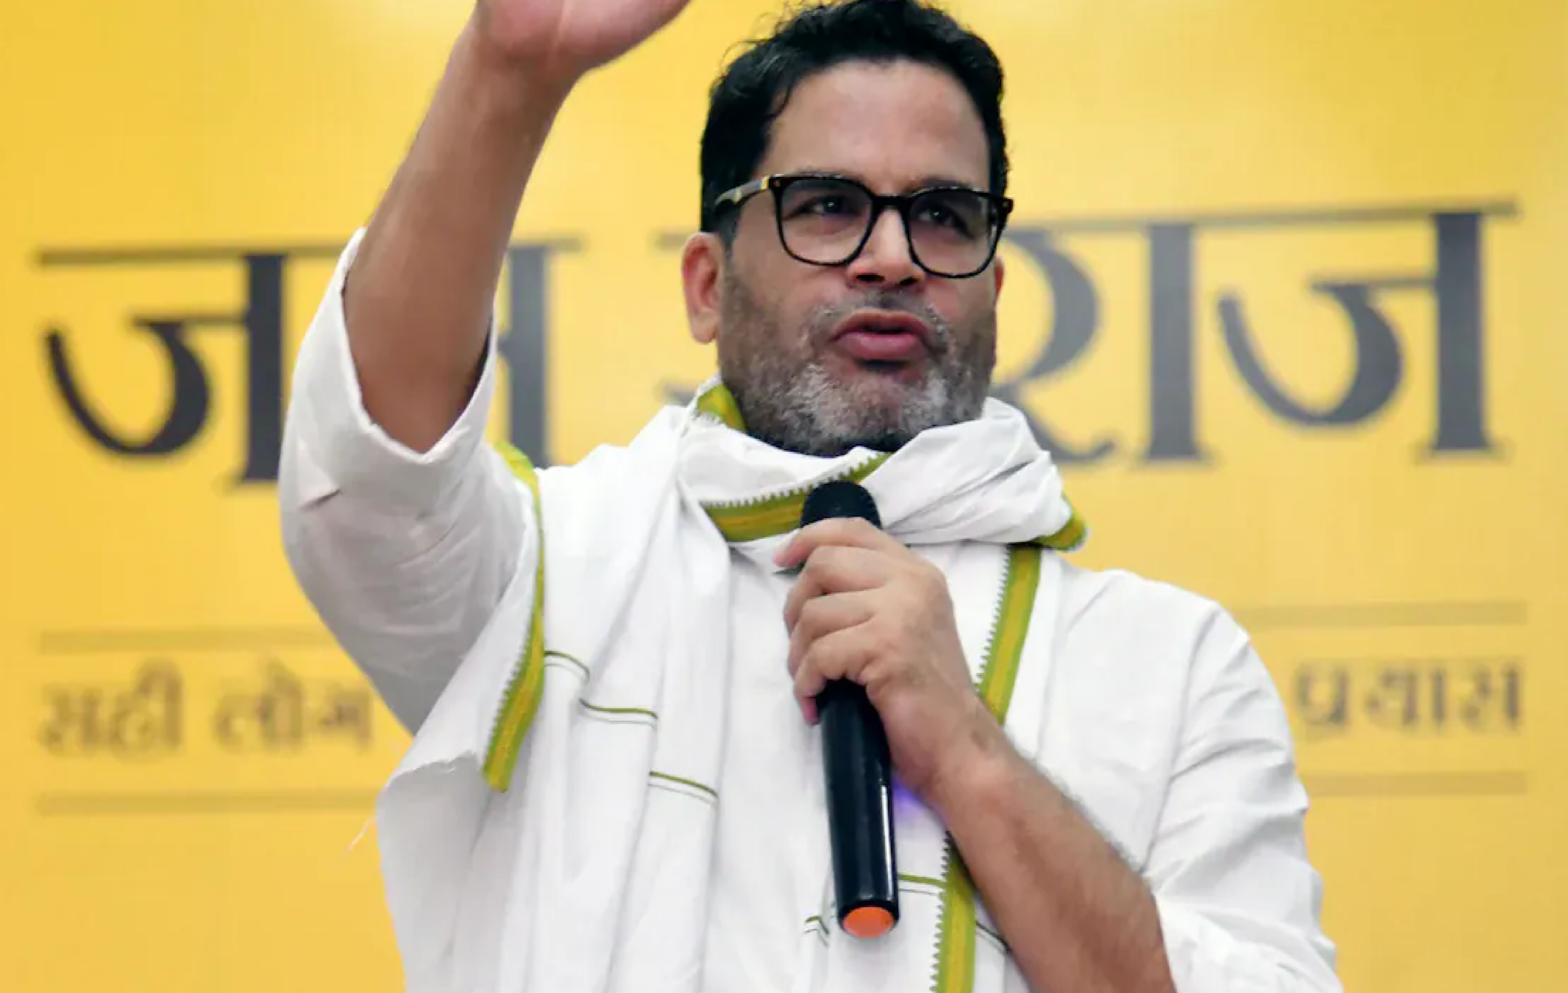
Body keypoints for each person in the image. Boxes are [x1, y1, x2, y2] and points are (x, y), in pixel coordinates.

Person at [278, 0, 1342, 991]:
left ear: (993, 287)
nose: (891, 257)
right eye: (827, 207)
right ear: (707, 285)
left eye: (943, 216)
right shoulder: (559, 572)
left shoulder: (1173, 665)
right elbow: (367, 482)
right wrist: (505, 73)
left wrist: (965, 753)